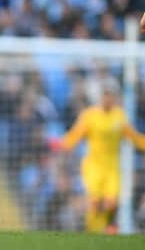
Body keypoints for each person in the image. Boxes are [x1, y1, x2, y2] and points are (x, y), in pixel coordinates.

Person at [49, 79, 145, 233]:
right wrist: (61, 144)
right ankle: (94, 232)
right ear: (100, 97)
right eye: (105, 95)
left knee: (112, 202)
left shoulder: (119, 117)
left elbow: (134, 137)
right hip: (93, 166)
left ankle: (103, 230)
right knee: (95, 202)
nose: (107, 99)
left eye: (110, 95)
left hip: (112, 167)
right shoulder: (89, 116)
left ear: (114, 97)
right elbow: (75, 135)